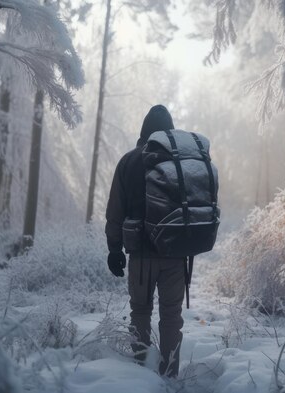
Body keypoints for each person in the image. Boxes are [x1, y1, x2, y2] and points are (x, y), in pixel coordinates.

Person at [105, 105, 186, 378]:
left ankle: (139, 375)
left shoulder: (128, 161)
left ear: (143, 132)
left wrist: (114, 249)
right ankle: (169, 375)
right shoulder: (182, 162)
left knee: (140, 312)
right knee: (172, 317)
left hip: (140, 255)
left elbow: (115, 211)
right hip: (175, 256)